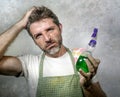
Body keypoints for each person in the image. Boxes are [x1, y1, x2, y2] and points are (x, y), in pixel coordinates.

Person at [0, 6, 106, 97]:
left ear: (60, 28)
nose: (47, 38)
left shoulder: (80, 58)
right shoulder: (29, 64)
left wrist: (88, 86)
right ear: (34, 41)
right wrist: (20, 24)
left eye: (50, 29)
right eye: (38, 35)